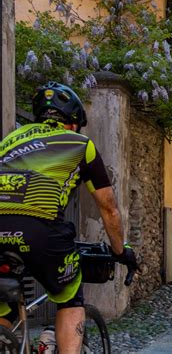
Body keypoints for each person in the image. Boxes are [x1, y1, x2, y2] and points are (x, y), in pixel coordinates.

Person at [0, 82, 138, 353]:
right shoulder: (80, 144)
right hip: (40, 230)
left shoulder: (8, 142)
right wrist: (121, 251)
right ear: (73, 123)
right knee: (70, 300)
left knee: (3, 306)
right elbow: (108, 207)